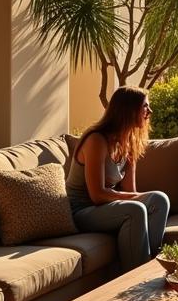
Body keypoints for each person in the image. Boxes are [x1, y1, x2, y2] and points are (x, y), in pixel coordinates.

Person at [66, 86, 169, 273]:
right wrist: (137, 200)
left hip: (104, 208)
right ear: (128, 110)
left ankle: (151, 268)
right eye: (145, 107)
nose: (150, 112)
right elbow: (97, 195)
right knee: (135, 209)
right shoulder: (96, 140)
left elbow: (130, 189)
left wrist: (145, 198)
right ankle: (135, 275)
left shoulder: (129, 142)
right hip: (81, 211)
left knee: (159, 199)